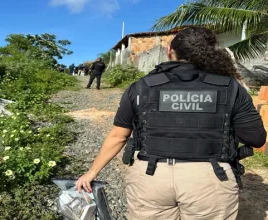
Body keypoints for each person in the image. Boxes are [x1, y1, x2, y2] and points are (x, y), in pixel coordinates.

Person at [76, 27, 266, 220]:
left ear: (169, 51)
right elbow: (256, 138)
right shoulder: (229, 87)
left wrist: (92, 172)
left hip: (151, 177)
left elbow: (118, 136)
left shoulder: (142, 86)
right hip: (210, 178)